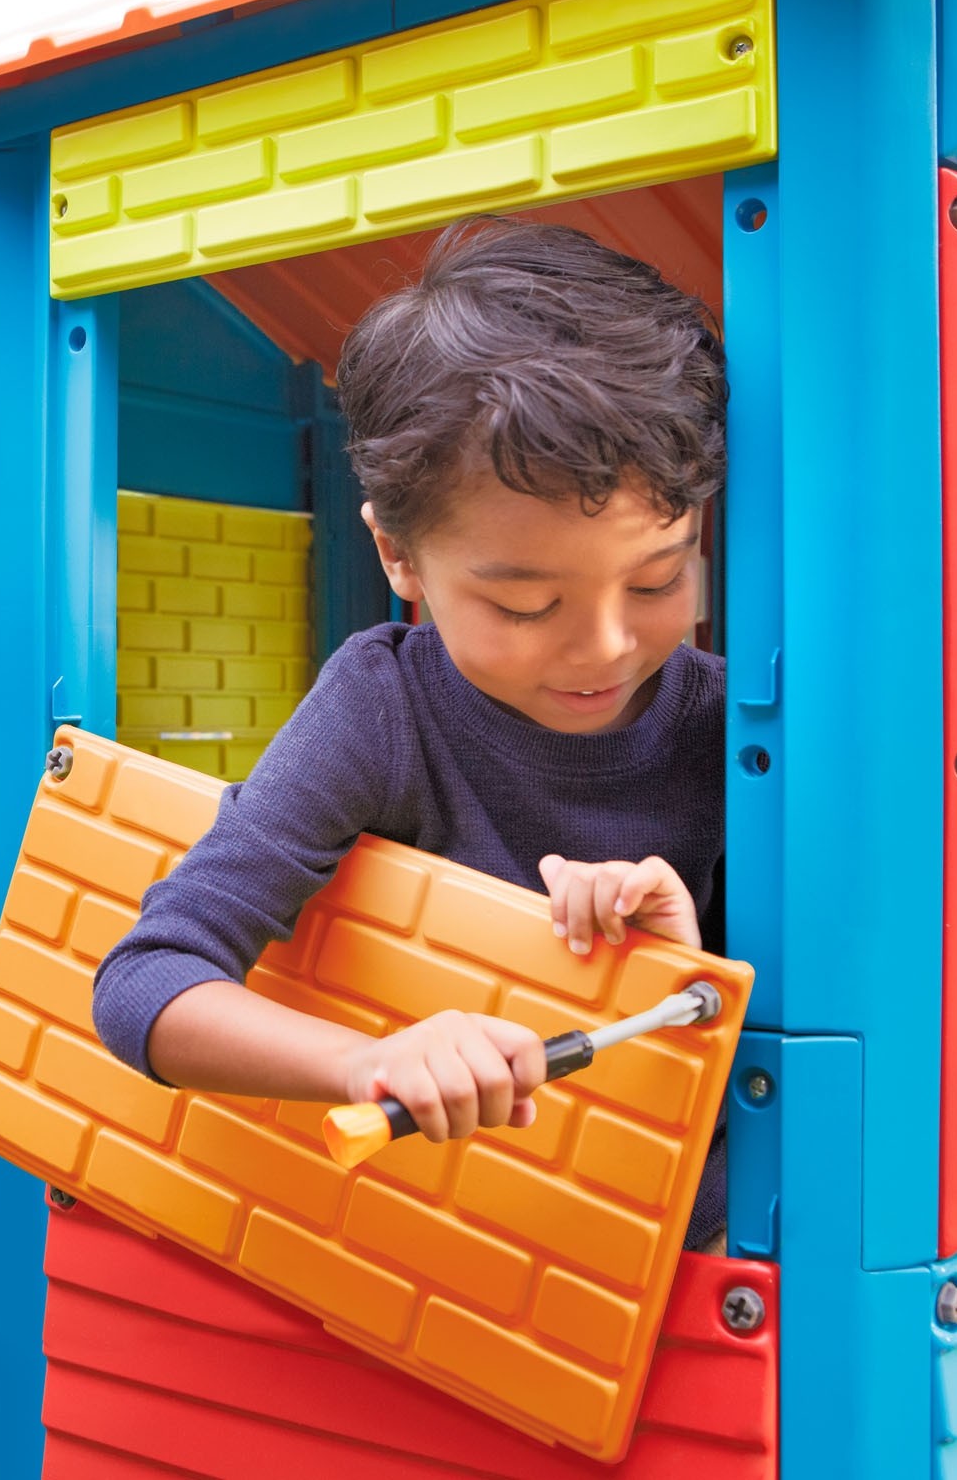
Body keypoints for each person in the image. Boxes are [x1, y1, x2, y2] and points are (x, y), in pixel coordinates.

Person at [94, 215, 728, 1248]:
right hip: (446, 1257)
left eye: (660, 580)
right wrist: (370, 1062)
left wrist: (681, 963)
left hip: (692, 1257)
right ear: (396, 555)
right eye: (526, 605)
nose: (606, 647)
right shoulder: (381, 707)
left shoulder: (735, 724)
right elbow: (145, 982)